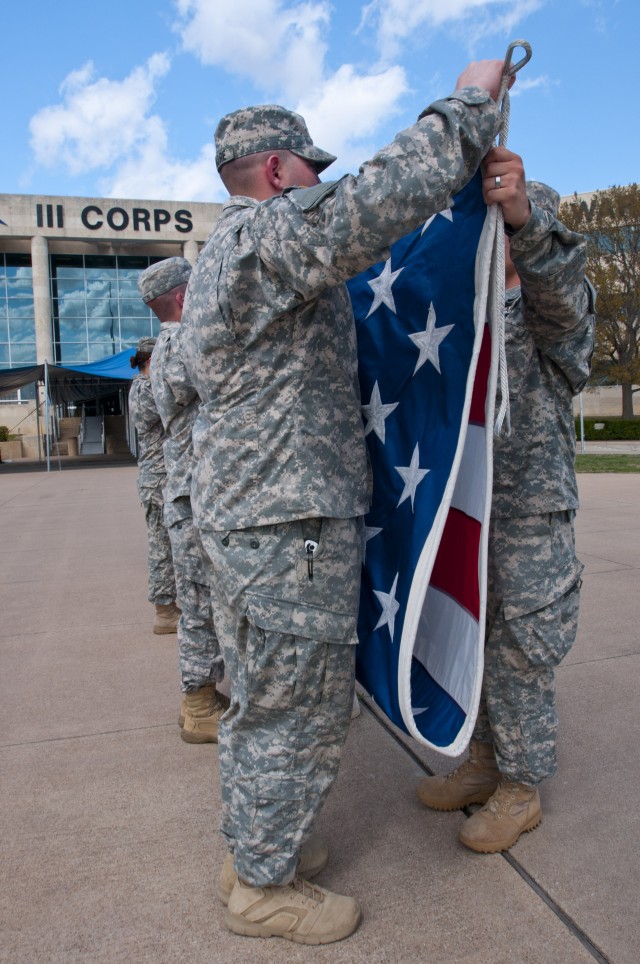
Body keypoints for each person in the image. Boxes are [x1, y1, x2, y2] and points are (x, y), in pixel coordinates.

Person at [180, 60, 509, 945]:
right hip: (285, 530)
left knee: (257, 697)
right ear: (280, 172)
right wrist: (469, 107)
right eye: (311, 170)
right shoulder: (265, 238)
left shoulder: (223, 257)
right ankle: (262, 885)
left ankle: (256, 842)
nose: (321, 182)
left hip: (256, 523)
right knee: (297, 707)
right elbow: (375, 203)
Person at [416, 147, 596, 854]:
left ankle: (522, 786)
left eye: (510, 229)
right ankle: (485, 759)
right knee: (476, 640)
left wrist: (525, 223)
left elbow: (560, 301)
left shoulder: (558, 305)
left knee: (523, 648)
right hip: (472, 508)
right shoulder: (469, 313)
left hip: (528, 513)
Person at [137, 258, 227, 744]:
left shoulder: (168, 344)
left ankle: (203, 697)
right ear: (180, 296)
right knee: (198, 604)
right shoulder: (181, 343)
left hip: (188, 491)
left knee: (201, 601)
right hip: (193, 496)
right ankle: (197, 706)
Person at [128, 337, 180, 635]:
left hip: (158, 478)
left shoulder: (141, 388)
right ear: (152, 359)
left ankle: (169, 605)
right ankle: (163, 611)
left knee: (167, 543)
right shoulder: (146, 390)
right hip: (158, 479)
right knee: (161, 546)